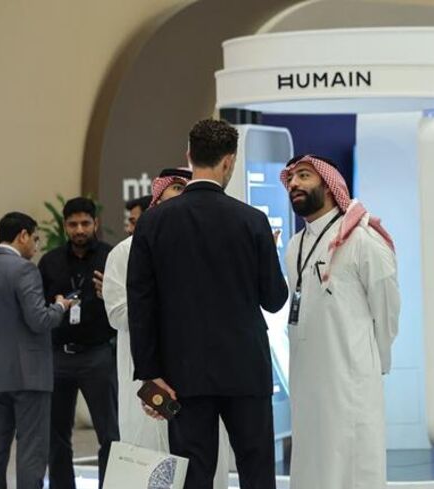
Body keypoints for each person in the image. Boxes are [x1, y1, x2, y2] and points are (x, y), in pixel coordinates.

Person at [128, 119, 288, 489]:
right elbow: (275, 299)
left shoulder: (153, 223)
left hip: (182, 373)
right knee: (256, 472)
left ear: (189, 155)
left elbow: (141, 303)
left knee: (193, 475)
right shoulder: (253, 221)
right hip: (246, 369)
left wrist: (150, 372)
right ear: (228, 162)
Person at [104, 167, 232, 489]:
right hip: (147, 377)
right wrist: (168, 308)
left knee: (203, 461)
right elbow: (117, 314)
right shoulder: (125, 252)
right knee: (150, 460)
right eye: (175, 190)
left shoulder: (209, 249)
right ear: (157, 200)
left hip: (201, 377)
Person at [280, 154, 399, 489]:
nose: (294, 184)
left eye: (304, 176)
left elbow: (387, 309)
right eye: (291, 178)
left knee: (351, 464)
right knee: (312, 462)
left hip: (350, 379)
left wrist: (372, 362)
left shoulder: (362, 239)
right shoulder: (295, 245)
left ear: (331, 187)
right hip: (306, 380)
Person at [0, 212, 73, 489]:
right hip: (28, 373)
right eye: (35, 238)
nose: (36, 245)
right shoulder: (24, 269)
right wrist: (60, 307)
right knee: (32, 446)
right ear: (22, 235)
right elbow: (39, 320)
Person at [38, 197, 119, 489]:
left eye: (85, 223)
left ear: (95, 223)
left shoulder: (110, 258)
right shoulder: (50, 262)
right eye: (73, 224)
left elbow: (127, 300)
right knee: (56, 435)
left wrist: (107, 293)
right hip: (59, 356)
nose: (80, 230)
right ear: (65, 226)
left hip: (98, 354)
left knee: (109, 433)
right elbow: (39, 308)